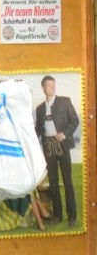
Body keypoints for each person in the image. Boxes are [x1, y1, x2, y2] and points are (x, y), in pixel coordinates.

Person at [34, 75, 79, 227]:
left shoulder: (65, 101)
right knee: (53, 182)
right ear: (43, 88)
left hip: (63, 146)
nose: (52, 88)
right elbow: (38, 130)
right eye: (49, 86)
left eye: (54, 85)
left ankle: (72, 216)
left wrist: (64, 134)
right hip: (48, 147)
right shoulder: (40, 109)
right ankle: (58, 215)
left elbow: (75, 121)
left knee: (67, 181)